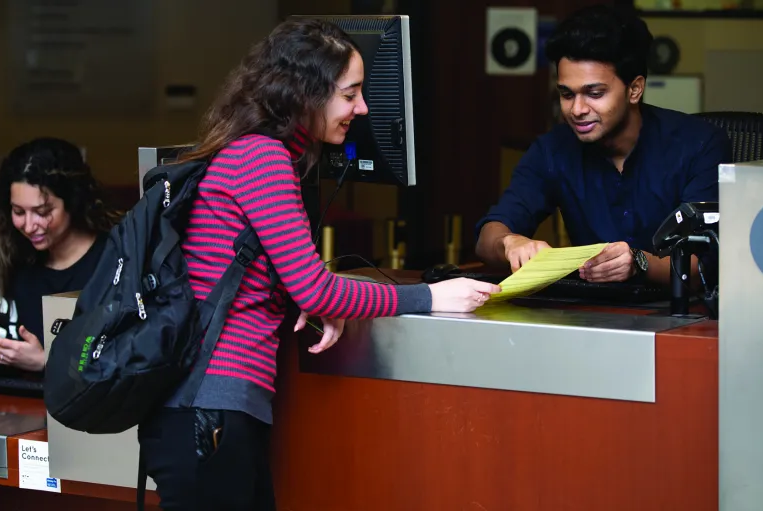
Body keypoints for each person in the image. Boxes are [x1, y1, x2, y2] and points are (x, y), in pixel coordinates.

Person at [137, 18, 501, 510]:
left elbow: (253, 273)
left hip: (204, 408)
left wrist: (299, 297)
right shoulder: (262, 160)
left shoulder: (248, 150)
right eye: (350, 94)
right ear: (305, 93)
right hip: (210, 408)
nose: (363, 108)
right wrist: (433, 295)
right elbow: (316, 289)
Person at [474, 5, 732, 286]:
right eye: (566, 94)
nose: (577, 109)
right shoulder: (553, 149)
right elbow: (488, 236)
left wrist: (638, 263)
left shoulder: (700, 144)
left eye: (594, 93)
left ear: (634, 89)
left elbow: (707, 260)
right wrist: (509, 242)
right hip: (591, 313)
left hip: (682, 316)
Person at [0, 138, 122, 372]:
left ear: (72, 203)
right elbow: (18, 359)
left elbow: (128, 364)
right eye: (18, 211)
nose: (30, 226)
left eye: (43, 212)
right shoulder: (21, 266)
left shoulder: (115, 262)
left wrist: (46, 363)